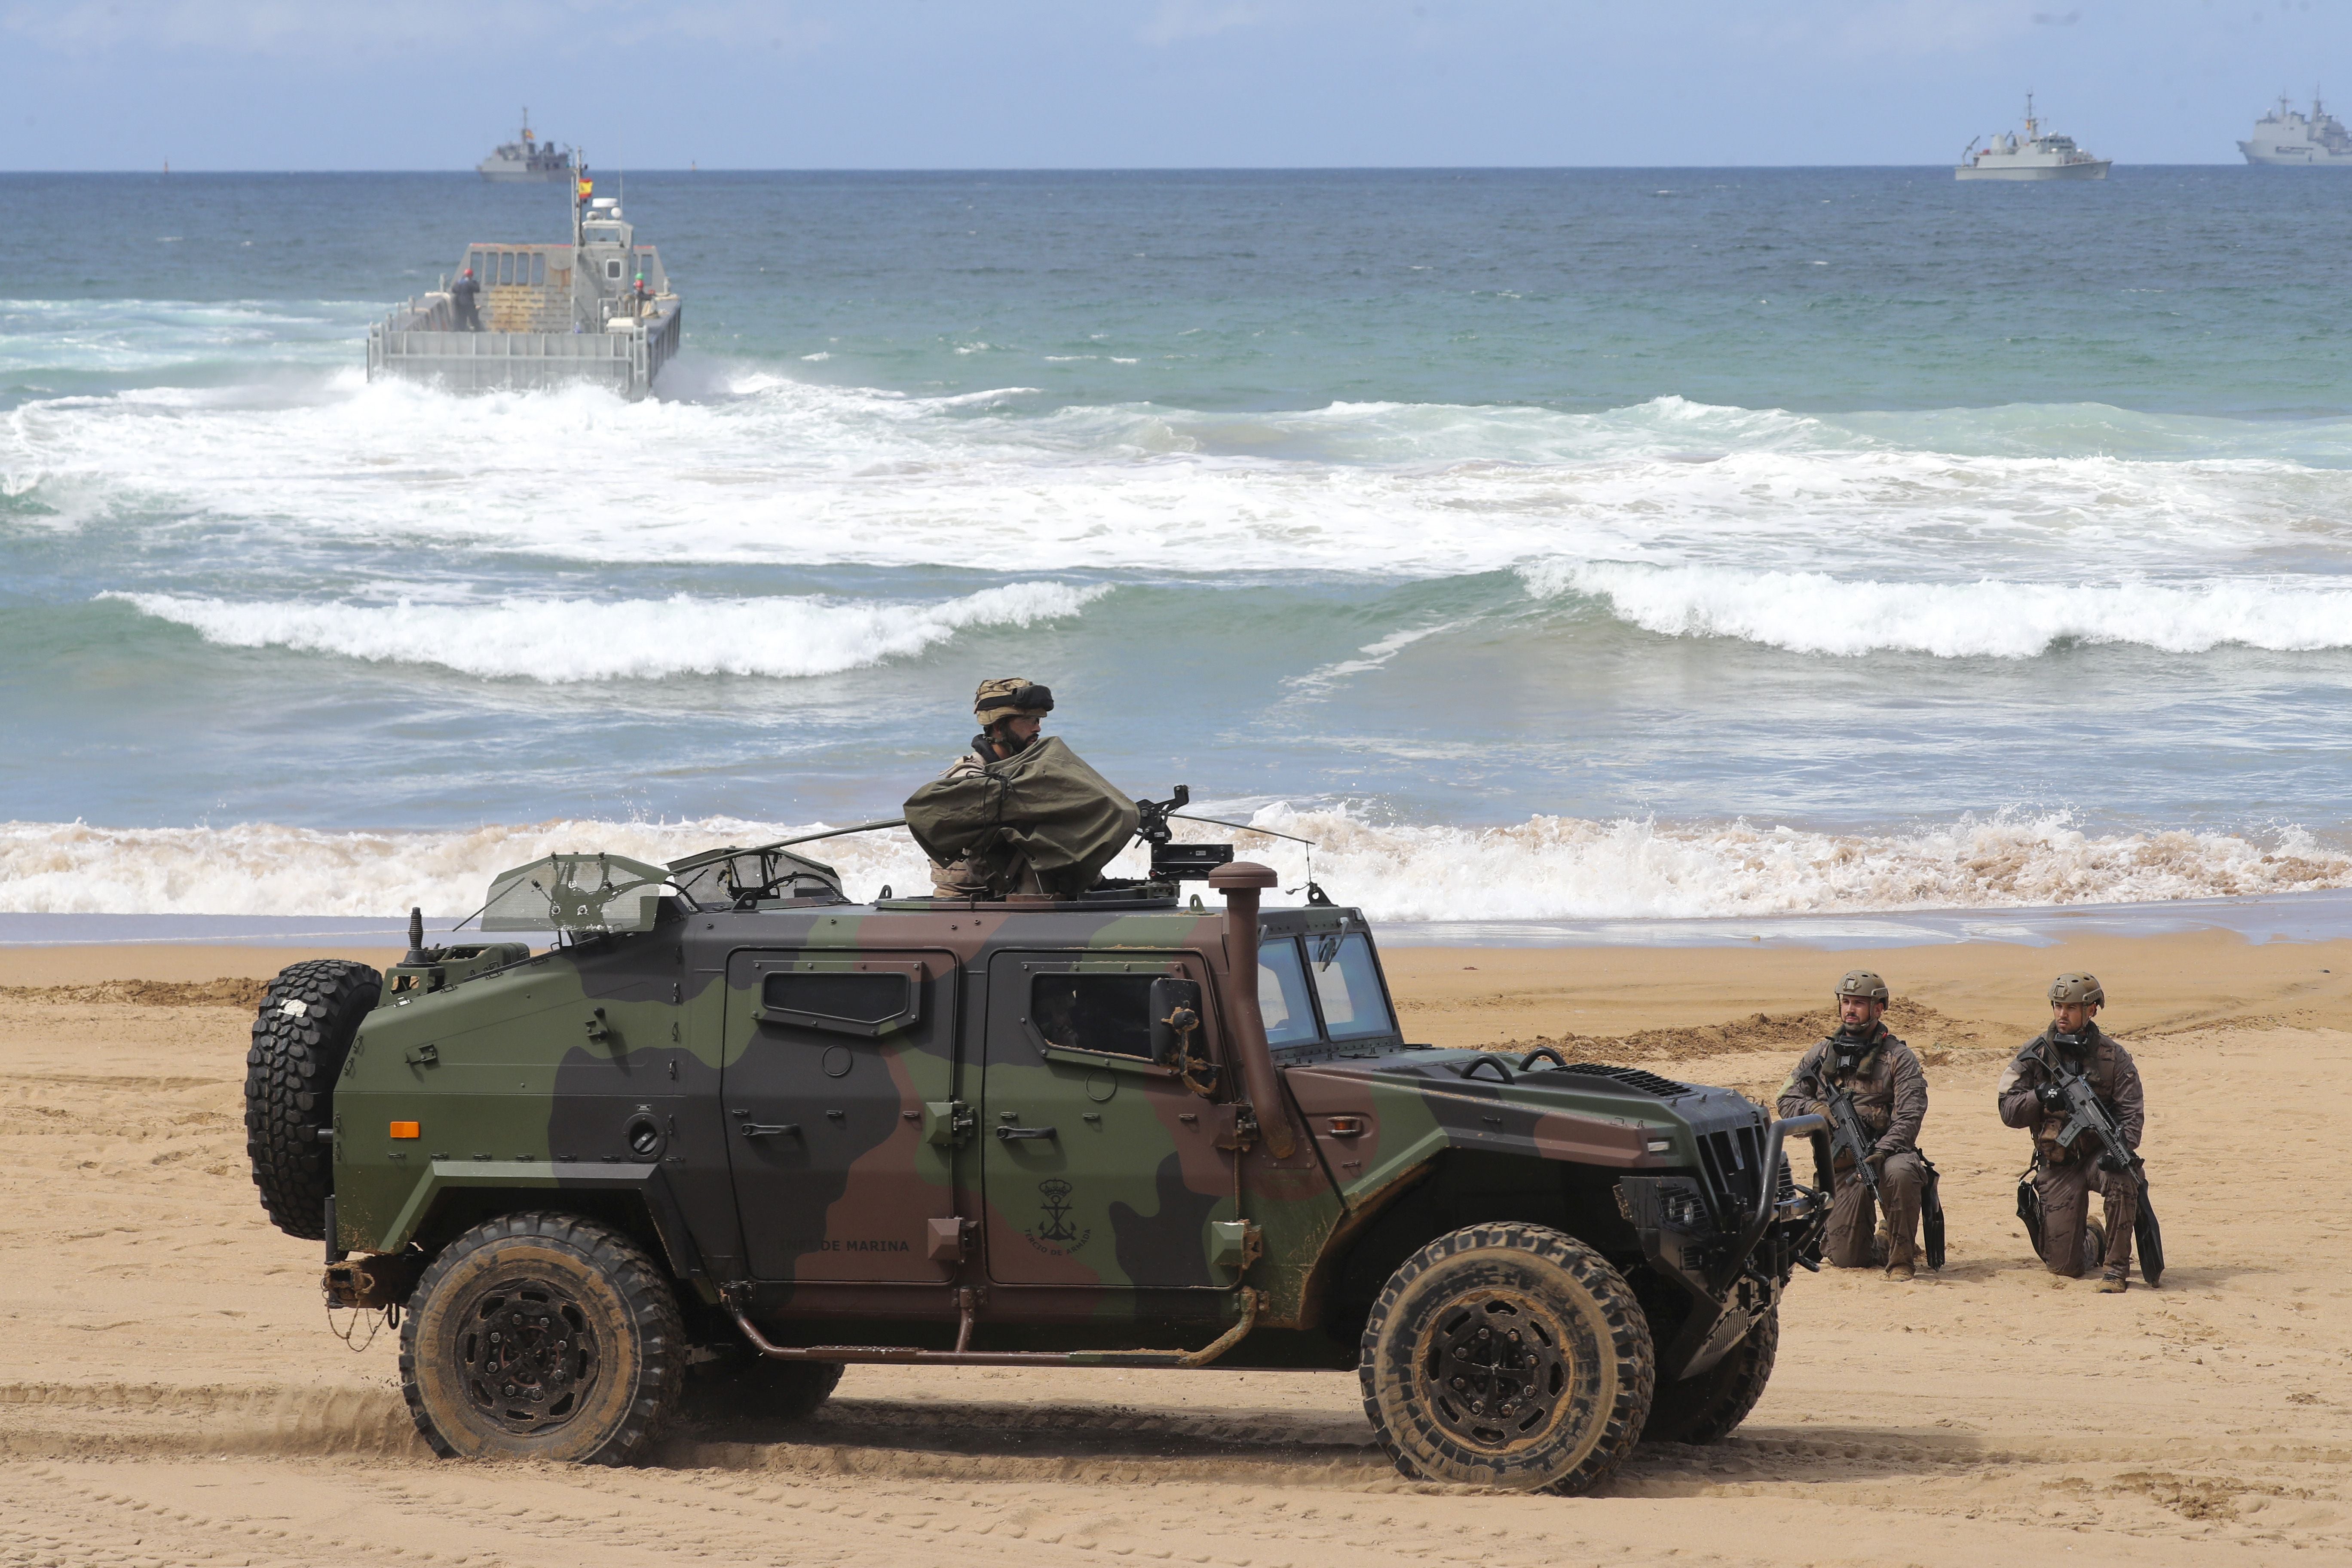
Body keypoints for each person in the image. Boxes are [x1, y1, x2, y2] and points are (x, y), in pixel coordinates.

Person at [1776, 971, 1930, 1281]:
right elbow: (1785, 1100)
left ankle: (1901, 1261)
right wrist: (1815, 1109)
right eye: (1846, 1002)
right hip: (1843, 1168)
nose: (1850, 1009)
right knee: (1847, 1258)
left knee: (1902, 1172)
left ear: (1879, 1008)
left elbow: (1910, 1116)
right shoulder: (1820, 1055)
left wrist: (1883, 1150)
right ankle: (1882, 1243)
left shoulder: (1899, 1058)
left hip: (1889, 1157)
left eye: (1859, 1003)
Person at [1997, 973, 2145, 1292]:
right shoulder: (2036, 1053)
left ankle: (2116, 1270)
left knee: (2124, 1175)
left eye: (2071, 1008)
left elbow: (2132, 1115)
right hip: (2058, 1164)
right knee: (2064, 1268)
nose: (2062, 1015)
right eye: (2058, 1006)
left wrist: (2118, 1149)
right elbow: (2007, 1110)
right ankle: (2094, 1237)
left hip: (2096, 1158)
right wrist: (2040, 1096)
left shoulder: (2113, 1057)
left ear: (2091, 1010)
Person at [925, 677, 1055, 898]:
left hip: (1008, 896)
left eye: (1039, 719)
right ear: (999, 727)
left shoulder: (1027, 771)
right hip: (968, 904)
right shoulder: (967, 778)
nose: (1038, 727)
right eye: (1030, 720)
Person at [451, 267, 484, 331]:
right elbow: (477, 290)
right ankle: (478, 331)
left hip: (459, 304)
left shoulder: (459, 282)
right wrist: (475, 283)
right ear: (471, 276)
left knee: (462, 319)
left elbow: (454, 290)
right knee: (474, 319)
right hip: (469, 304)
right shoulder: (470, 283)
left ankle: (460, 332)